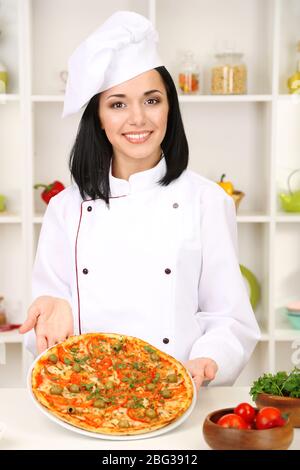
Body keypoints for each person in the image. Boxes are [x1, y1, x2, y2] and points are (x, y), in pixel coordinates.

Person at [20, 11, 260, 391]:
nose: (137, 119)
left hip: (175, 393)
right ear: (98, 117)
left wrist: (209, 359)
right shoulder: (65, 208)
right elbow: (44, 327)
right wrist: (51, 313)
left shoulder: (208, 201)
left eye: (151, 100)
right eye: (117, 104)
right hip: (87, 398)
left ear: (170, 108)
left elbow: (230, 319)